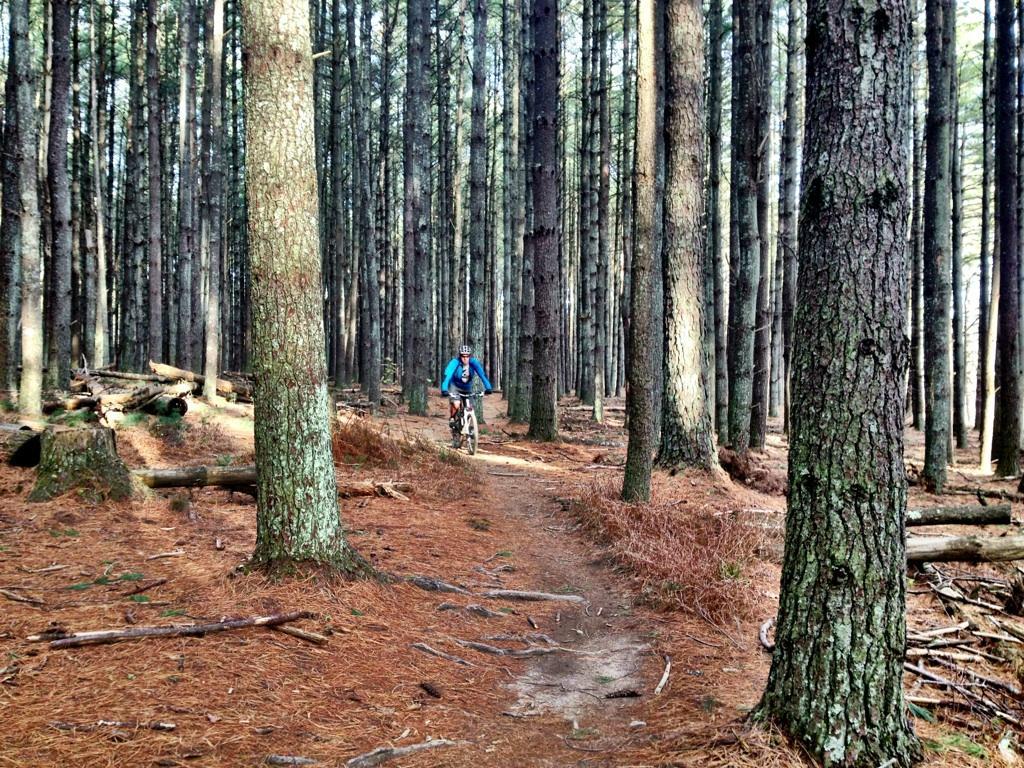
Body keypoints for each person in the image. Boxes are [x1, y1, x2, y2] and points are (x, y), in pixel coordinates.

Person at [440, 344, 493, 432]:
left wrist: (488, 387)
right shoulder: (455, 362)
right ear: (460, 356)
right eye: (463, 356)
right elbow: (447, 375)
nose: (465, 358)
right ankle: (452, 418)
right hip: (455, 386)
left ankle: (467, 426)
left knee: (470, 407)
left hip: (467, 387)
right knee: (456, 404)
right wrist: (444, 389)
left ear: (470, 356)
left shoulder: (473, 363)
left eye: (467, 356)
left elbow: (482, 375)